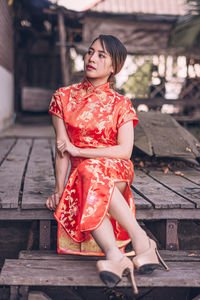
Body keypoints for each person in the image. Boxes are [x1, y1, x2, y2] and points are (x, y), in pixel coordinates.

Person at [46, 35, 169, 294]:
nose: (92, 58)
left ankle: (129, 247)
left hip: (117, 170)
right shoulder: (63, 97)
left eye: (102, 55)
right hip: (83, 175)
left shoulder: (121, 104)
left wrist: (80, 149)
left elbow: (124, 151)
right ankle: (125, 250)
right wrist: (58, 190)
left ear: (114, 67)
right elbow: (61, 150)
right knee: (88, 171)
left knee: (91, 169)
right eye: (91, 52)